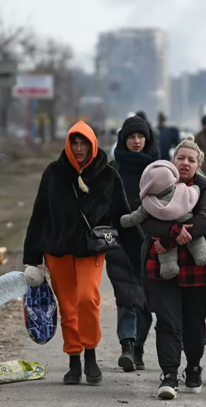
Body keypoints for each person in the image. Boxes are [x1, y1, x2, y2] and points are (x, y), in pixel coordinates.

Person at [23, 121, 144, 386]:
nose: (78, 148)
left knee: (88, 299)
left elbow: (123, 216)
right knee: (68, 307)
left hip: (91, 251)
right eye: (74, 143)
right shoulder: (54, 173)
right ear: (68, 144)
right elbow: (40, 213)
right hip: (57, 251)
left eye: (83, 143)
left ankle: (91, 352)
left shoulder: (108, 175)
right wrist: (32, 257)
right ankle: (74, 359)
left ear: (92, 144)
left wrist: (140, 256)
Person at [132, 136, 206, 400]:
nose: (185, 163)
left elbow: (205, 221)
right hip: (160, 268)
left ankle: (193, 368)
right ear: (172, 161)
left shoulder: (205, 188)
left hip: (197, 267)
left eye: (191, 160)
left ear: (198, 165)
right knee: (167, 322)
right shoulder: (156, 181)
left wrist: (170, 238)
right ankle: (169, 375)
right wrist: (175, 231)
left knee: (194, 322)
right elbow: (145, 219)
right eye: (180, 158)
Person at [107, 116, 158, 372]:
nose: (136, 141)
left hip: (151, 243)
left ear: (147, 140)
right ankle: (127, 346)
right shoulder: (113, 168)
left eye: (140, 137)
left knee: (146, 301)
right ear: (123, 140)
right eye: (131, 137)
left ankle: (138, 348)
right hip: (119, 242)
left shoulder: (160, 169)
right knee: (125, 296)